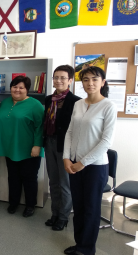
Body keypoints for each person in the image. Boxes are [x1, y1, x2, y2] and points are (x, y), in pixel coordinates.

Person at [63, 66, 116, 255]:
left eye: (94, 79)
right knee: (78, 206)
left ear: (102, 82)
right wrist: (66, 157)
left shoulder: (108, 106)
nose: (90, 83)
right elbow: (70, 132)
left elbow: (106, 141)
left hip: (95, 167)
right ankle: (79, 244)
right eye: (86, 80)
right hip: (74, 164)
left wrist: (83, 162)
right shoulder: (78, 104)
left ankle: (87, 249)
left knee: (91, 209)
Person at [0, 76, 44, 217]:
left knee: (29, 178)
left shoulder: (35, 105)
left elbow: (40, 127)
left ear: (27, 90)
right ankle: (13, 202)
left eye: (21, 87)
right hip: (10, 148)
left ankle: (30, 205)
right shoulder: (5, 103)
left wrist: (37, 145)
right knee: (13, 177)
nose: (17, 90)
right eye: (15, 87)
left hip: (29, 149)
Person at [43, 65, 81, 230]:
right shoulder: (48, 99)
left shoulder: (76, 101)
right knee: (53, 181)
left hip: (65, 145)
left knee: (65, 183)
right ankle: (55, 213)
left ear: (70, 80)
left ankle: (64, 217)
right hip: (49, 142)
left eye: (62, 78)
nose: (58, 80)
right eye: (55, 77)